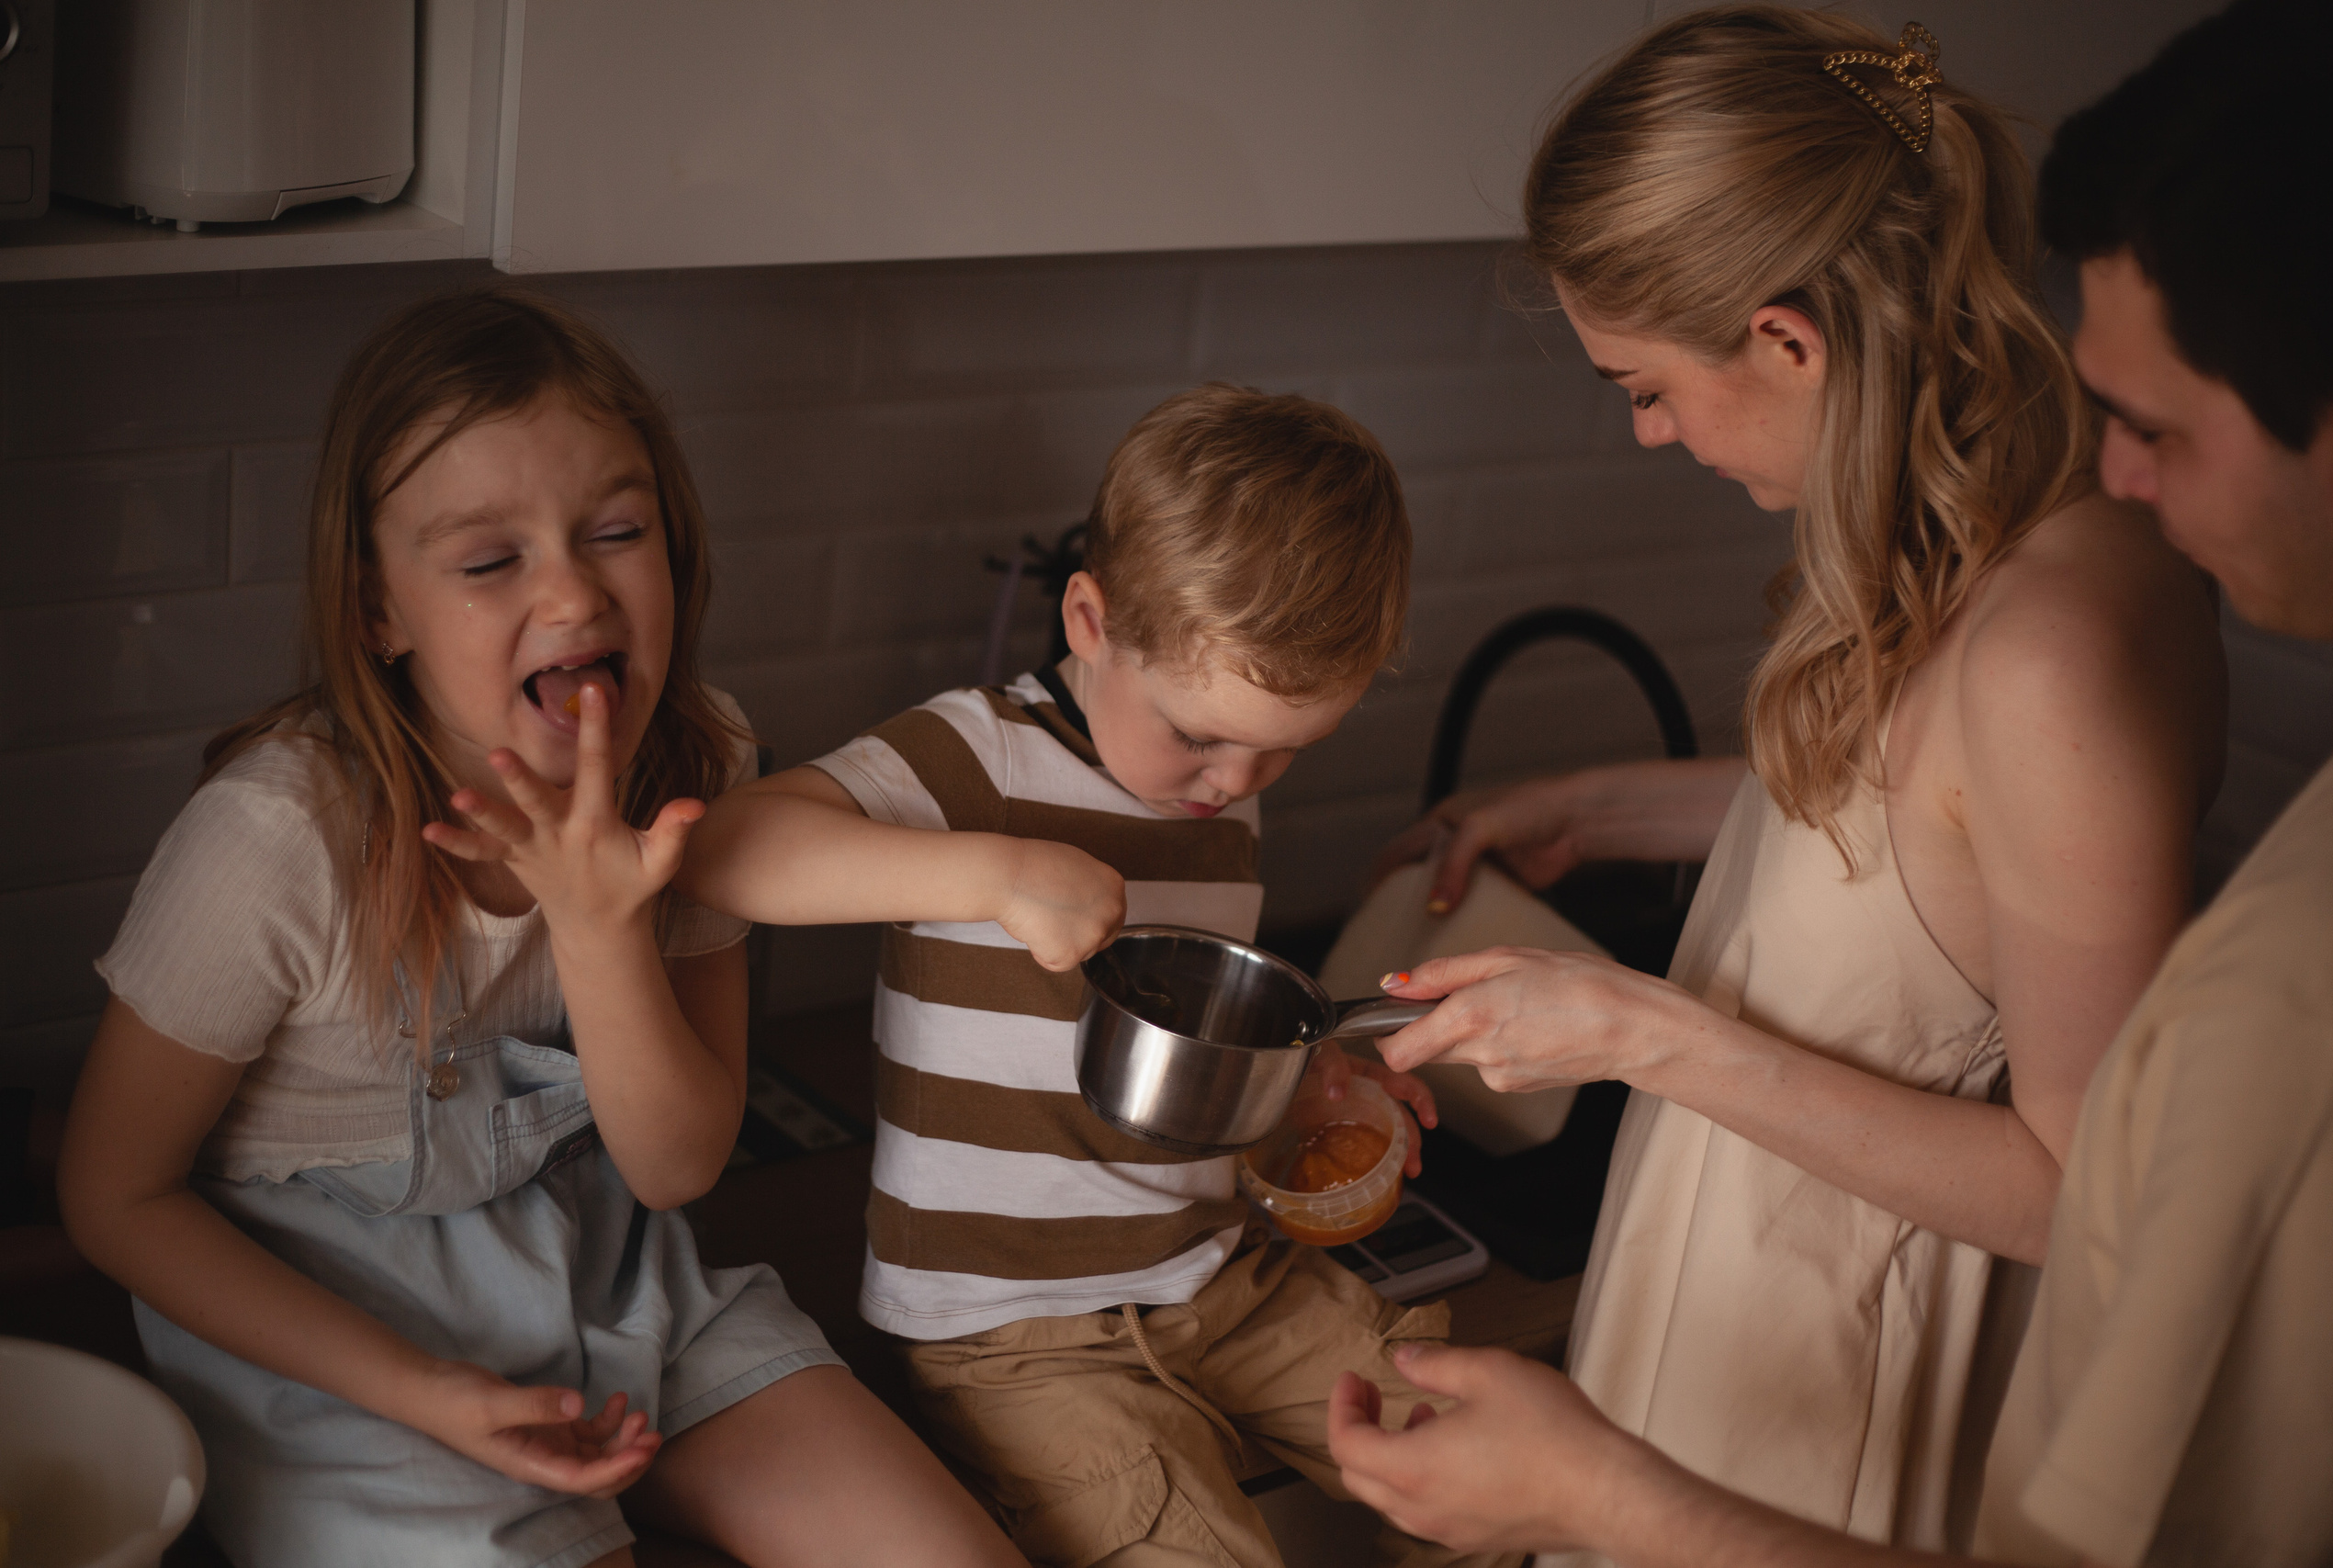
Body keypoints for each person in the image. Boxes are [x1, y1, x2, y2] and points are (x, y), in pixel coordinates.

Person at [1327, 0, 2333, 1562]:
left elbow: (2081, 1190)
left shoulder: (2056, 645)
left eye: (1645, 387)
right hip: (1729, 1333)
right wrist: (1593, 806)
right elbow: (1920, 849)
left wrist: (1639, 1035)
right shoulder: (1975, 508)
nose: (1653, 433)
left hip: (1844, 1416)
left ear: (1790, 340)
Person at [55, 288, 1023, 1568]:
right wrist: (423, 1393)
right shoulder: (278, 844)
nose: (574, 593)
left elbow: (676, 1166)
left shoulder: (692, 765)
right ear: (376, 615)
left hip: (616, 1277)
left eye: (616, 531)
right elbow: (113, 1194)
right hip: (340, 1352)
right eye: (490, 560)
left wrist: (601, 923)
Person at [676, 384, 1513, 1568]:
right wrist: (993, 875)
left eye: (1281, 748)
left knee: (1495, 1471)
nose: (1232, 780)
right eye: (1200, 734)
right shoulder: (977, 756)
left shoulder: (1222, 796)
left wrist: (1309, 1082)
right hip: (1017, 1336)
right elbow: (723, 853)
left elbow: (1205, 1044)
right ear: (1089, 617)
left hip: (1219, 1277)